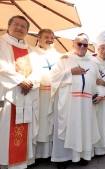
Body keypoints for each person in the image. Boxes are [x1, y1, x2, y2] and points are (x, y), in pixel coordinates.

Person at [49, 35, 105, 169]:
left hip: (86, 103)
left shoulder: (93, 63)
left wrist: (101, 94)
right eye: (79, 44)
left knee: (83, 128)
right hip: (69, 102)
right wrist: (70, 72)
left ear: (88, 47)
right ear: (73, 45)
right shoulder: (64, 60)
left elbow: (99, 82)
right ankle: (62, 158)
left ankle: (81, 156)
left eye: (85, 45)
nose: (82, 47)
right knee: (67, 127)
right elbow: (52, 77)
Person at [0, 15, 40, 168]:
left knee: (25, 125)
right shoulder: (1, 43)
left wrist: (29, 82)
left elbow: (38, 71)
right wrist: (19, 80)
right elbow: (1, 66)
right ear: (8, 26)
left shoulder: (30, 49)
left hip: (27, 95)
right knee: (6, 127)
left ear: (27, 31)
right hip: (8, 94)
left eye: (23, 26)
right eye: (16, 24)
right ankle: (5, 162)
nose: (19, 28)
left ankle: (23, 161)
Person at [31, 29, 62, 164]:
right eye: (46, 37)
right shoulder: (31, 53)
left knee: (52, 123)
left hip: (55, 94)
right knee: (40, 123)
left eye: (52, 37)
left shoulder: (60, 56)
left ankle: (51, 153)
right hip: (38, 94)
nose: (49, 39)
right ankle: (37, 155)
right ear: (38, 38)